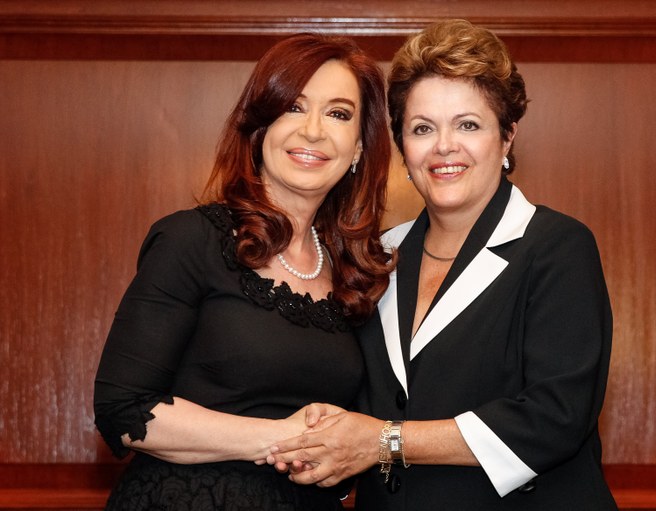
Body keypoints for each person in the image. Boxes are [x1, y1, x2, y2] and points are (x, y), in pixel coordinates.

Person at [268, 19, 618, 510]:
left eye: (468, 125)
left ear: (508, 136)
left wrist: (385, 440)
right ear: (402, 147)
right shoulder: (376, 255)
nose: (443, 147)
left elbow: (554, 418)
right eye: (422, 128)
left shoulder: (555, 246)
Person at [93, 32, 392, 511]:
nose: (313, 130)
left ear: (358, 148)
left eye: (338, 114)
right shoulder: (192, 240)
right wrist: (280, 438)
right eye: (293, 107)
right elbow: (124, 408)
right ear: (259, 129)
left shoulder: (359, 274)